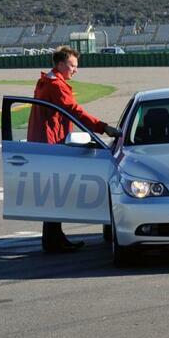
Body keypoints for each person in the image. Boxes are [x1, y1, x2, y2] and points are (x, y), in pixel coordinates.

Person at [27, 45, 121, 253]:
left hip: (44, 145)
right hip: (51, 147)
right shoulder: (56, 86)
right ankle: (53, 241)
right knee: (55, 193)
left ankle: (54, 238)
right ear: (60, 64)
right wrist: (103, 127)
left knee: (53, 193)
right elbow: (75, 111)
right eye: (72, 65)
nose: (75, 70)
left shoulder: (46, 81)